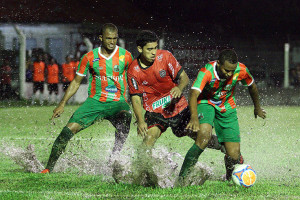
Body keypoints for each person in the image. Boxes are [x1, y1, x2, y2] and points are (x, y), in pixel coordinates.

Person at [41, 23, 133, 173]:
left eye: (115, 39)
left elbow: (135, 79)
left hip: (118, 103)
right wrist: (62, 103)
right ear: (101, 38)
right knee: (67, 131)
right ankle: (48, 169)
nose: (112, 42)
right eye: (108, 38)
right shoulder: (89, 57)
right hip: (95, 102)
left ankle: (114, 157)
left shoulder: (126, 56)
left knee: (126, 116)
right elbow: (76, 82)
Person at [127, 31, 222, 175]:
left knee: (202, 137)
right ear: (140, 49)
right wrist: (140, 121)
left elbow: (184, 78)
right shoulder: (133, 70)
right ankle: (140, 173)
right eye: (149, 49)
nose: (154, 52)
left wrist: (179, 87)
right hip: (155, 112)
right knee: (148, 139)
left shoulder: (165, 56)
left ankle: (225, 147)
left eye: (155, 48)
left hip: (179, 108)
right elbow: (135, 98)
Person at [178, 49, 266, 183]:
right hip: (205, 102)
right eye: (226, 70)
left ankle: (229, 178)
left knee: (234, 155)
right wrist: (194, 117)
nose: (229, 74)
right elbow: (193, 93)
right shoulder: (207, 71)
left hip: (227, 105)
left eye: (232, 70)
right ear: (218, 63)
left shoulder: (241, 70)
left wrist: (257, 107)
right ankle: (182, 178)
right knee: (204, 136)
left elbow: (252, 86)